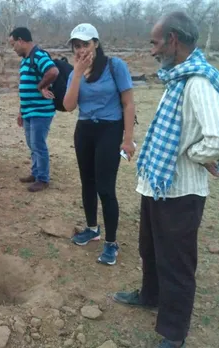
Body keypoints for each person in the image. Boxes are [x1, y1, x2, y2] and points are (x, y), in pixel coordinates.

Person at [112, 12, 219, 348]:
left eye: (155, 42)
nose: (153, 50)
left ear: (173, 40)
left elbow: (215, 138)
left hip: (182, 192)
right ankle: (150, 295)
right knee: (151, 248)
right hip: (159, 186)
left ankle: (173, 333)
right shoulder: (177, 79)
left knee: (177, 263)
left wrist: (195, 156)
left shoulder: (197, 83)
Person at [62, 23, 136, 265]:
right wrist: (76, 71)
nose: (81, 49)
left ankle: (111, 243)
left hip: (110, 129)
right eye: (77, 45)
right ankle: (92, 229)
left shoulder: (115, 66)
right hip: (84, 130)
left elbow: (128, 103)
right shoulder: (75, 72)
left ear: (96, 43)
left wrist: (127, 140)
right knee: (88, 183)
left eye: (85, 44)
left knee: (105, 187)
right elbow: (69, 105)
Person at [9, 27, 59, 192]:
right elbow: (25, 88)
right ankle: (36, 172)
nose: (13, 48)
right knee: (32, 144)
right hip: (29, 111)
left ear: (21, 41)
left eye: (13, 44)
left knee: (38, 144)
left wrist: (41, 86)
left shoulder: (39, 56)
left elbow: (53, 71)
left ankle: (43, 179)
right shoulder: (25, 59)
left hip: (41, 111)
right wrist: (21, 111)